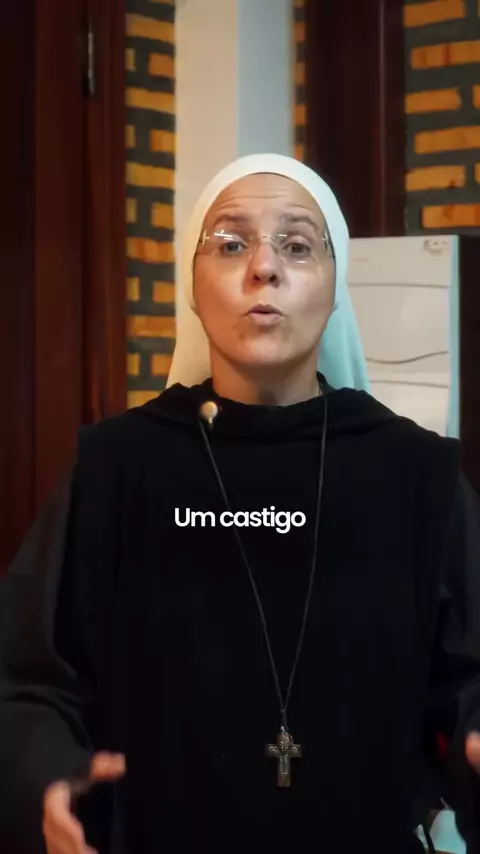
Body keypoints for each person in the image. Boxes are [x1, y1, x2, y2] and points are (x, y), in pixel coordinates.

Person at [0, 153, 479, 854]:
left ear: (335, 285)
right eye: (230, 244)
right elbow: (28, 677)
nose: (264, 268)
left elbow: (469, 676)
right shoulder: (117, 467)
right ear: (192, 289)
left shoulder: (414, 472)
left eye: (297, 245)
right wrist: (42, 773)